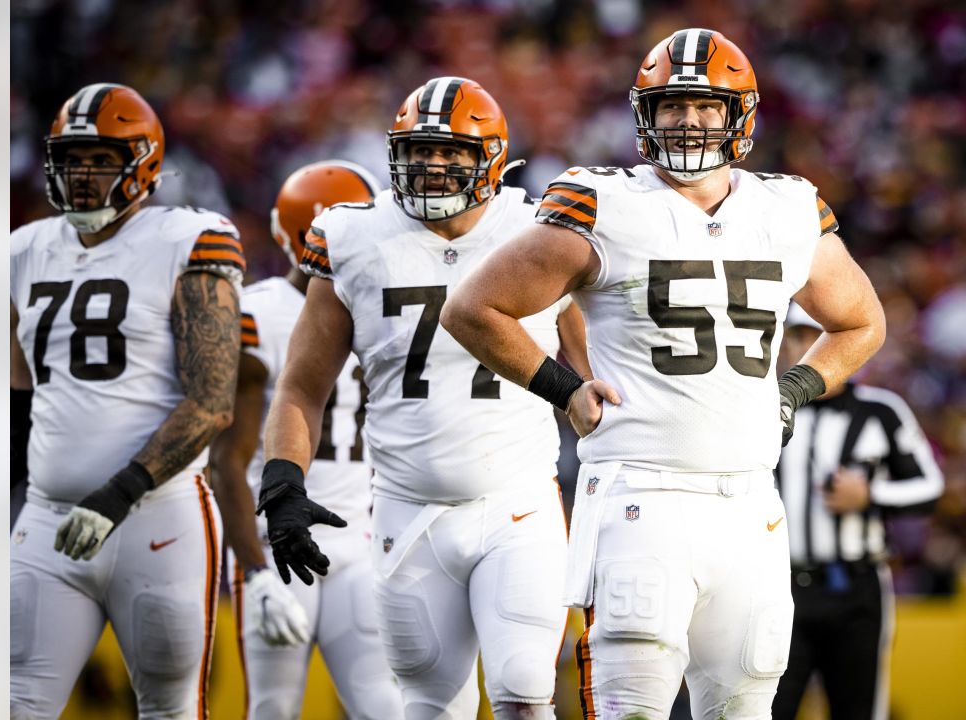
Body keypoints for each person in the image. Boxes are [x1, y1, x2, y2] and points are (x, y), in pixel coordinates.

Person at [440, 28, 887, 720]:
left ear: (741, 113)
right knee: (633, 708)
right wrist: (564, 389)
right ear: (644, 114)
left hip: (749, 506)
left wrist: (795, 386)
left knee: (744, 706)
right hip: (639, 494)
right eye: (672, 105)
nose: (688, 120)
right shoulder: (602, 202)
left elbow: (861, 322)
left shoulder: (788, 208)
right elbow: (474, 307)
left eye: (706, 104)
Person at [255, 77, 591, 720]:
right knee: (429, 706)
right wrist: (282, 484)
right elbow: (302, 384)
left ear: (491, 156)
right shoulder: (352, 236)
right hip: (407, 511)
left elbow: (592, 368)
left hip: (519, 502)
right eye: (420, 151)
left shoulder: (539, 227)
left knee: (525, 695)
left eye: (451, 152)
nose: (433, 166)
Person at [10, 83, 242, 719]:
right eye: (72, 158)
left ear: (142, 163)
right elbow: (12, 394)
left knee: (169, 709)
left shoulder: (188, 238)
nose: (83, 175)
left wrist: (117, 493)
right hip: (48, 520)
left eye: (102, 159)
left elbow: (213, 401)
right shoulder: (22, 251)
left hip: (156, 518)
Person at [208, 160, 403, 719]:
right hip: (281, 545)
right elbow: (229, 461)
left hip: (361, 543)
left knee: (383, 706)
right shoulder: (259, 314)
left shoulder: (377, 301)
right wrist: (255, 572)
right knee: (274, 709)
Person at [771, 304, 944, 720]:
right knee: (766, 708)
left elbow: (930, 488)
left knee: (859, 709)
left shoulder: (881, 411)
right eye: (797, 336)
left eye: (821, 336)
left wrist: (870, 495)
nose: (808, 347)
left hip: (856, 586)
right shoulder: (762, 409)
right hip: (779, 588)